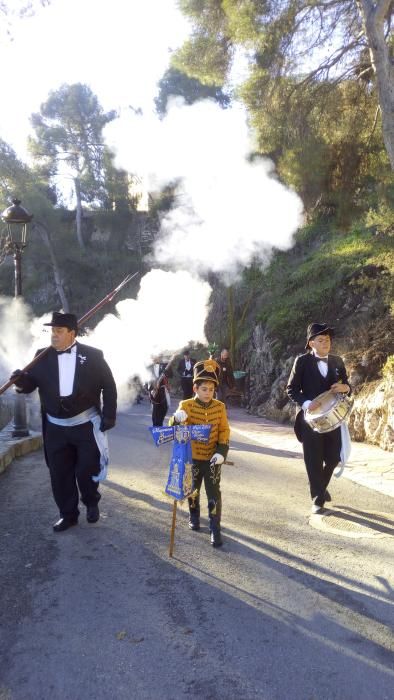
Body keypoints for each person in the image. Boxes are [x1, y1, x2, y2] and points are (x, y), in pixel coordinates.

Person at [11, 312, 117, 532]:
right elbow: (30, 384)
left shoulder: (93, 356)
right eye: (52, 331)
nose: (54, 335)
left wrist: (109, 415)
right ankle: (67, 514)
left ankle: (90, 501)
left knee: (86, 469)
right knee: (59, 473)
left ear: (72, 333)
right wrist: (21, 380)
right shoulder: (41, 356)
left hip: (85, 424)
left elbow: (109, 385)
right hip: (55, 428)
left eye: (59, 331)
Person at [286, 323, 351, 514]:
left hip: (333, 419)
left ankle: (320, 486)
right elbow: (291, 390)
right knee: (313, 459)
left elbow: (347, 385)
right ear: (311, 343)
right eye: (321, 340)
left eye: (328, 340)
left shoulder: (337, 361)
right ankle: (317, 499)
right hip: (310, 420)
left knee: (333, 457)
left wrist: (345, 388)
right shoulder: (302, 361)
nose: (326, 343)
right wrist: (306, 403)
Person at [169, 359, 230, 547]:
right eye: (204, 389)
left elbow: (224, 431)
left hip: (213, 460)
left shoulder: (220, 407)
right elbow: (174, 428)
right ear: (195, 389)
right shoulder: (186, 405)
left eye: (211, 390)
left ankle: (214, 528)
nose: (208, 393)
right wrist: (177, 419)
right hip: (192, 459)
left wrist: (221, 452)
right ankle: (194, 517)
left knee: (214, 494)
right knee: (192, 491)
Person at [148, 358, 172, 427]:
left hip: (163, 391)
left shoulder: (164, 365)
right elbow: (145, 381)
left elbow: (170, 375)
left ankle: (159, 425)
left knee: (163, 409)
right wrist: (151, 388)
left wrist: (169, 365)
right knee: (155, 413)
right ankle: (156, 427)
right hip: (153, 392)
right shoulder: (149, 367)